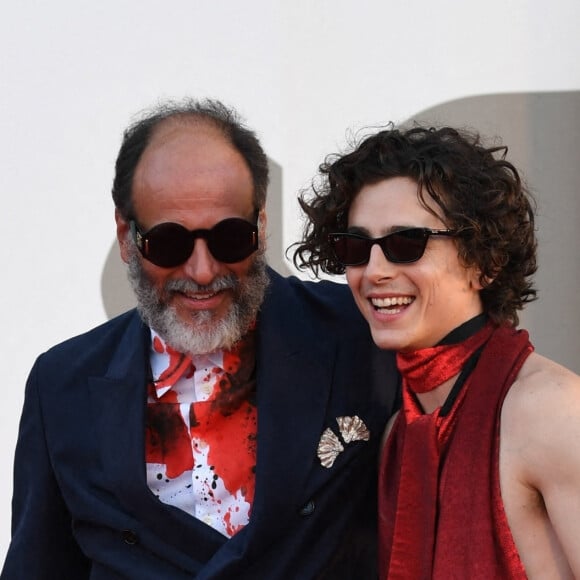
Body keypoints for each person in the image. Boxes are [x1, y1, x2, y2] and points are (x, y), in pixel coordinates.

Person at [1, 99, 399, 580]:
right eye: (170, 243)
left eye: (230, 237)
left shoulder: (360, 336)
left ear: (261, 225)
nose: (203, 270)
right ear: (126, 235)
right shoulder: (62, 384)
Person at [293, 124, 580, 578]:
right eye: (356, 247)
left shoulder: (551, 410)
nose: (375, 271)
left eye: (406, 244)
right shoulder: (398, 432)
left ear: (486, 262)